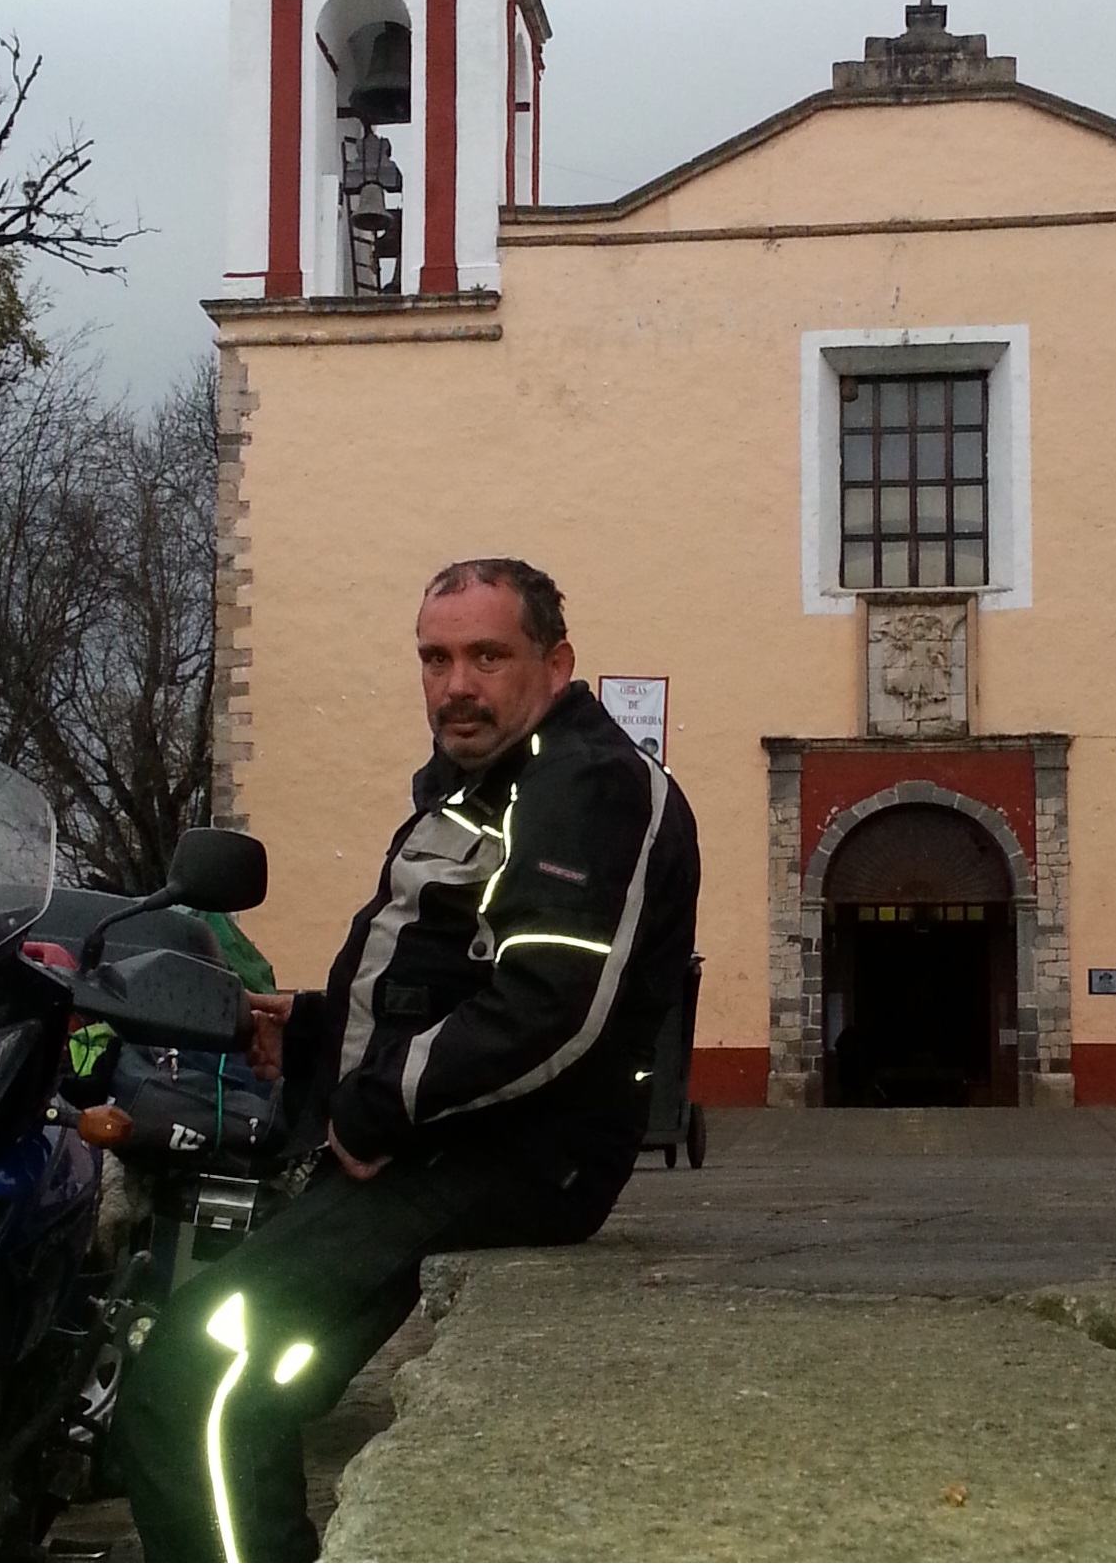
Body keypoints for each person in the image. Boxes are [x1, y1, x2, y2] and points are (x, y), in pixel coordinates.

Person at [112, 558, 700, 1561]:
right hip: (449, 1142)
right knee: (252, 1382)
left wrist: (373, 1111)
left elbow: (553, 1007)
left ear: (554, 664)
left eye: (486, 655)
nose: (455, 684)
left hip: (501, 1156)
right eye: (435, 657)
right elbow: (432, 978)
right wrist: (299, 1030)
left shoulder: (588, 783)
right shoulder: (485, 785)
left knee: (189, 1376)